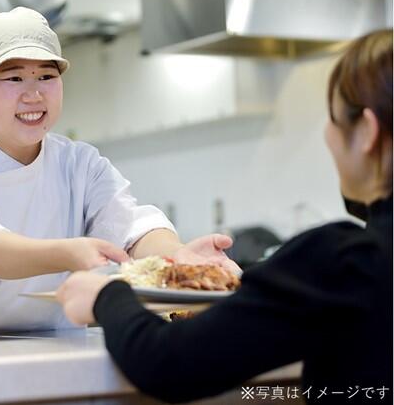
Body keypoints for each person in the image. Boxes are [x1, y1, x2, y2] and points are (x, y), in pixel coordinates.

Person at [57, 29, 393, 404]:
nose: (328, 136)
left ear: (366, 132)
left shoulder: (350, 260)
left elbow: (167, 362)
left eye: (331, 119)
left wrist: (108, 294)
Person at [0, 7, 240, 345]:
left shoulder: (79, 162)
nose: (34, 93)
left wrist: (178, 259)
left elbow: (132, 225)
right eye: (14, 77)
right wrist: (69, 253)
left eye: (46, 76)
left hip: (48, 347)